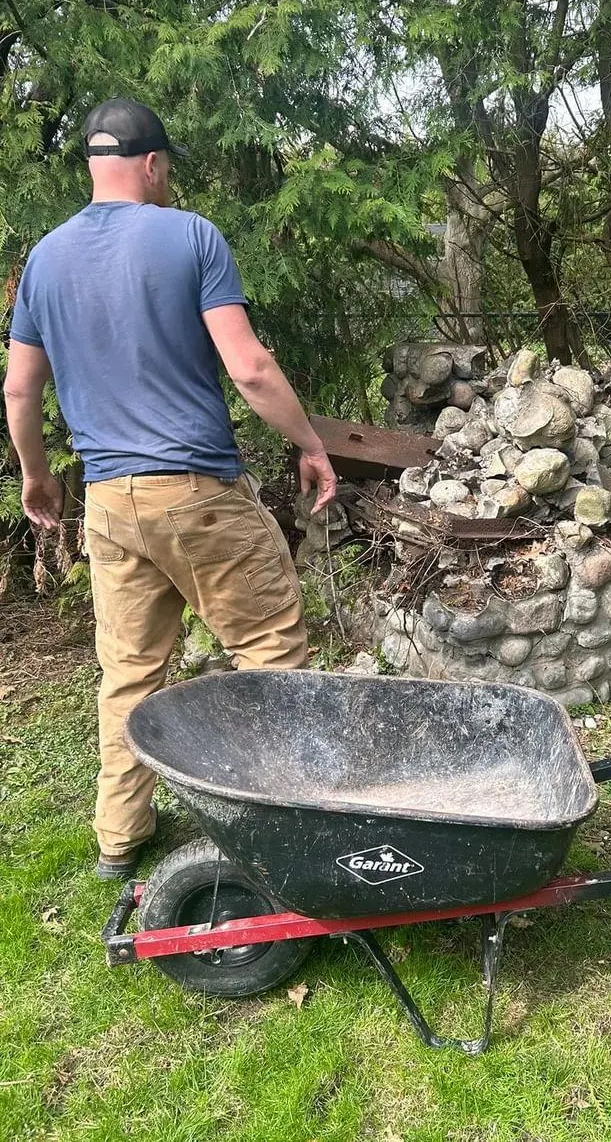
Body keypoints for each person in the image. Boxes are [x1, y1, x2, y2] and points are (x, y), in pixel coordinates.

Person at [3, 98, 338, 878]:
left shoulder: (45, 259)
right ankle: (284, 825)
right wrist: (310, 445)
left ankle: (119, 840)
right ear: (153, 164)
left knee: (129, 672)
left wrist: (37, 475)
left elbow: (20, 390)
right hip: (196, 493)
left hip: (109, 505)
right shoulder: (191, 235)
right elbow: (249, 367)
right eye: (168, 168)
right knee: (270, 649)